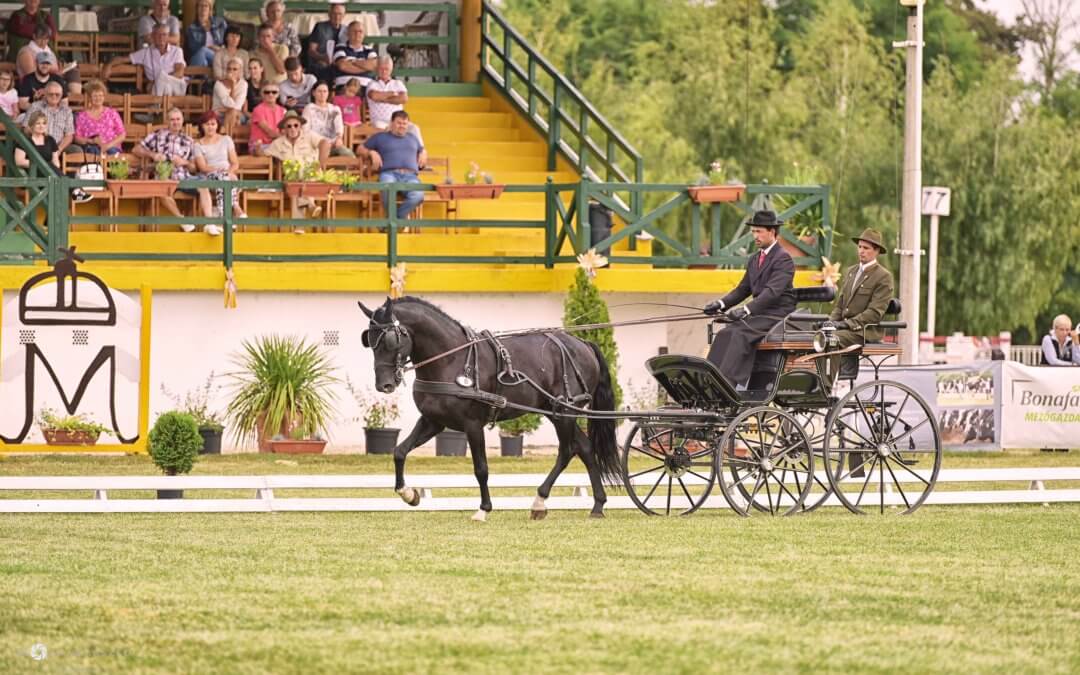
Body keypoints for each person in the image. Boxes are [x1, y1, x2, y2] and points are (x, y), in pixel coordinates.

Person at [702, 210, 797, 388]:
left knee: (740, 333)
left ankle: (727, 384)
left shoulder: (784, 259)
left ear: (772, 232)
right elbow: (742, 289)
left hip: (777, 315)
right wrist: (720, 304)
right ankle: (709, 380)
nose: (755, 236)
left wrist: (746, 310)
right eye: (753, 232)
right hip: (760, 315)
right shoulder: (755, 259)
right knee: (725, 332)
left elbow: (772, 292)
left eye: (759, 231)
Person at [828, 228, 895, 348]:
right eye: (859, 247)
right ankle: (821, 367)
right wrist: (830, 323)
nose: (861, 251)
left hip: (865, 332)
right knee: (819, 336)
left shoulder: (883, 276)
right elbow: (840, 305)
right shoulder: (851, 272)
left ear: (876, 251)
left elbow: (874, 313)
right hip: (846, 330)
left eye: (866, 248)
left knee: (831, 340)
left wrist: (848, 324)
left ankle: (835, 368)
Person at [132, 107, 196, 230]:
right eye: (172, 119)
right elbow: (136, 149)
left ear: (182, 121)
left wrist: (184, 162)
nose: (175, 122)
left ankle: (213, 222)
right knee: (161, 189)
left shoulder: (189, 141)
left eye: (178, 119)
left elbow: (194, 168)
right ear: (167, 121)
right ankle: (182, 220)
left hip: (183, 178)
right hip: (163, 177)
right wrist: (153, 155)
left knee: (204, 187)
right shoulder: (157, 135)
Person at [265, 109, 330, 226]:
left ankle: (299, 226)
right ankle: (310, 206)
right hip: (292, 179)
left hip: (312, 176)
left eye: (296, 125)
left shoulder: (310, 136)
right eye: (289, 126)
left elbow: (325, 143)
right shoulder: (278, 143)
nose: (292, 128)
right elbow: (264, 153)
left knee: (297, 187)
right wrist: (257, 148)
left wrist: (319, 165)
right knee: (295, 186)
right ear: (284, 129)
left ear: (300, 126)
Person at [13, 111, 92, 203]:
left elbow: (56, 162)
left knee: (59, 184)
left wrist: (52, 169)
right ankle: (74, 191)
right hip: (32, 174)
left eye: (44, 123)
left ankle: (72, 191)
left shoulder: (50, 140)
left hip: (49, 175)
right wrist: (41, 164)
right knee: (57, 177)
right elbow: (19, 161)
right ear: (31, 125)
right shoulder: (25, 140)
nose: (41, 126)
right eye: (38, 123)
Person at [362, 110, 426, 220]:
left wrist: (424, 152)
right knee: (386, 187)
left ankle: (394, 220)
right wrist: (371, 152)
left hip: (410, 176)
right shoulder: (380, 137)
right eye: (399, 123)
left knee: (418, 195)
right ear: (391, 123)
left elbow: (422, 149)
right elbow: (360, 149)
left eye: (405, 123)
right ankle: (397, 221)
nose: (402, 126)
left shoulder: (412, 138)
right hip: (389, 174)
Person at [192, 110, 247, 233]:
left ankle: (225, 215)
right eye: (207, 124)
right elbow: (203, 167)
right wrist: (218, 170)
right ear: (202, 126)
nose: (210, 127)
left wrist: (228, 172)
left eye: (213, 124)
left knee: (226, 178)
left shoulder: (226, 139)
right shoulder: (198, 145)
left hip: (228, 173)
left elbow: (235, 163)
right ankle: (235, 210)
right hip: (210, 175)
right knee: (224, 179)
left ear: (217, 125)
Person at [105, 23, 187, 96]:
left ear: (168, 36)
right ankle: (163, 110)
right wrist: (109, 65)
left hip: (175, 86)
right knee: (164, 88)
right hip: (157, 90)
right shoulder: (145, 53)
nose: (161, 38)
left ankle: (157, 110)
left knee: (163, 85)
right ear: (152, 36)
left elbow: (179, 72)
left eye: (164, 35)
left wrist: (159, 80)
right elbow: (123, 59)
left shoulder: (177, 51)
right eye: (158, 35)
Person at [16, 25, 82, 96]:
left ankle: (75, 98)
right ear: (34, 36)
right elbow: (31, 73)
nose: (43, 42)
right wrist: (54, 73)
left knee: (73, 71)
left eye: (46, 39)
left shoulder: (49, 51)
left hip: (52, 79)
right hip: (34, 82)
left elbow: (55, 69)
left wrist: (65, 69)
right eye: (40, 39)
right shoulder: (26, 52)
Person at [74, 80, 125, 156]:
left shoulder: (112, 113)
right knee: (93, 152)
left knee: (112, 153)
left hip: (111, 147)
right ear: (89, 98)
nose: (98, 98)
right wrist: (92, 141)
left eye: (101, 95)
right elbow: (77, 138)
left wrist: (107, 146)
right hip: (91, 148)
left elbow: (122, 135)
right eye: (95, 96)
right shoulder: (82, 116)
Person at [303, 81, 353, 157]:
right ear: (313, 93)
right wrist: (322, 143)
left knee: (347, 154)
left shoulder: (335, 109)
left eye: (325, 91)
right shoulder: (309, 108)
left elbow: (339, 127)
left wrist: (339, 138)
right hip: (315, 145)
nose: (322, 94)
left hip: (333, 144)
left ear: (328, 93)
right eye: (319, 91)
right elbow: (305, 130)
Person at [25, 81, 75, 154]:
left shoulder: (67, 110)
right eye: (51, 94)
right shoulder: (35, 106)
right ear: (45, 94)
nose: (54, 97)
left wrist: (59, 149)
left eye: (57, 94)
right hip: (39, 143)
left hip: (59, 145)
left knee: (76, 150)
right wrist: (39, 141)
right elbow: (26, 128)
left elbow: (69, 135)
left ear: (61, 95)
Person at [306, 0, 347, 79]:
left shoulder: (347, 30)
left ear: (344, 15)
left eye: (340, 14)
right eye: (334, 13)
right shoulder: (320, 27)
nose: (337, 17)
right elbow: (311, 51)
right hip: (321, 64)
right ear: (329, 14)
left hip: (340, 64)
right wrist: (322, 57)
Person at [332, 20, 377, 90]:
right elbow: (343, 66)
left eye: (360, 31)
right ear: (348, 33)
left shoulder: (369, 50)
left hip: (366, 87)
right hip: (344, 86)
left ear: (364, 34)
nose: (357, 34)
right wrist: (365, 66)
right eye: (354, 31)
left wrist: (353, 62)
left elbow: (373, 66)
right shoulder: (340, 47)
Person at [366, 57, 408, 129]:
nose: (384, 72)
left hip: (398, 121)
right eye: (381, 69)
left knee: (414, 129)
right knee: (383, 128)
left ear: (391, 70)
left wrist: (382, 99)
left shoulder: (398, 83)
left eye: (386, 69)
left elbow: (403, 99)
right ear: (377, 69)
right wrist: (392, 94)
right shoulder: (372, 84)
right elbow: (374, 96)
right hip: (379, 121)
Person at [184, 0, 228, 68]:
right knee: (203, 53)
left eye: (206, 6)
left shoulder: (220, 23)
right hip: (197, 59)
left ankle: (203, 77)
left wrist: (219, 49)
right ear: (197, 9)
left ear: (210, 9)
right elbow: (194, 49)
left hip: (218, 56)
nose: (203, 8)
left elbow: (228, 40)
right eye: (201, 6)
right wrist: (212, 47)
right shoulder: (191, 28)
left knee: (205, 61)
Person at [212, 57, 248, 134]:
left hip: (235, 114)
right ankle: (229, 139)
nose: (231, 71)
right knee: (234, 116)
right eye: (229, 69)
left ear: (240, 71)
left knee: (233, 114)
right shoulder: (219, 84)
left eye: (235, 69)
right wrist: (233, 86)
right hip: (219, 115)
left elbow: (237, 105)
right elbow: (229, 104)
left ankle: (226, 139)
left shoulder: (244, 84)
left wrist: (226, 109)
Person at [249, 82, 285, 156]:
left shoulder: (282, 110)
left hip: (276, 144)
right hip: (262, 144)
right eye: (267, 92)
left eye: (274, 92)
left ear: (278, 94)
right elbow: (269, 132)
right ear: (262, 94)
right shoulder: (258, 110)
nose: (270, 94)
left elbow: (284, 130)